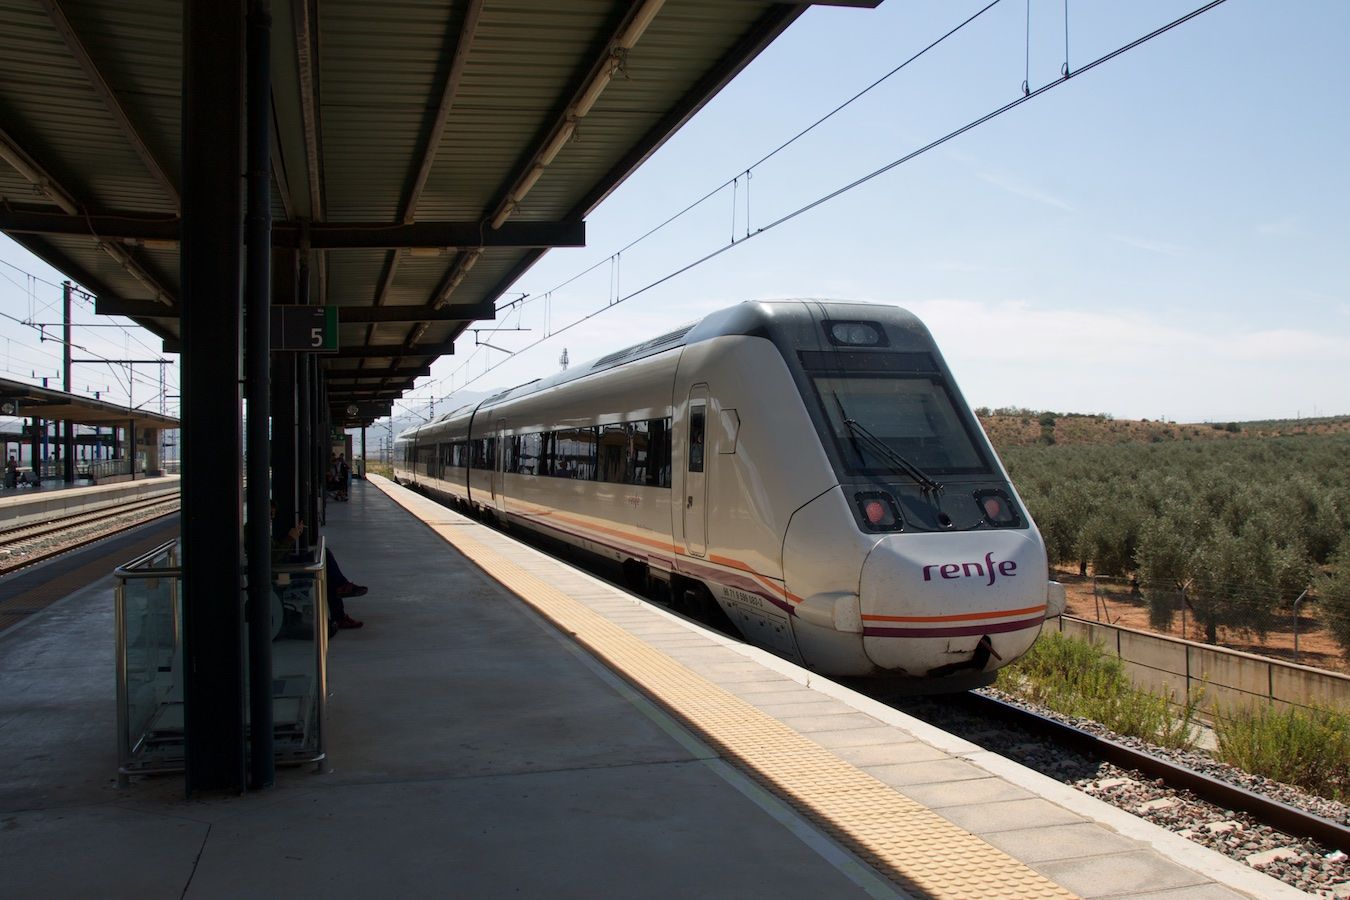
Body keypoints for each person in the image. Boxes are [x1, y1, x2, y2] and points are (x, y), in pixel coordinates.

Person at [271, 501, 366, 631]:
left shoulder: (260, 528)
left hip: (284, 562)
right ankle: (341, 600)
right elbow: (272, 558)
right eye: (270, 513)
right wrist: (290, 538)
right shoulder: (255, 530)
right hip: (280, 570)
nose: (271, 517)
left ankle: (341, 599)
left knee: (325, 559)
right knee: (325, 560)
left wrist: (294, 536)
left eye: (273, 514)